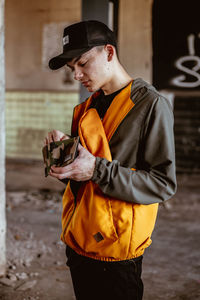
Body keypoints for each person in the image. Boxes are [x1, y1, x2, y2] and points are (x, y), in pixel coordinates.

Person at [45, 20, 177, 300]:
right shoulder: (85, 108)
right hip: (79, 240)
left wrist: (95, 169)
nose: (77, 75)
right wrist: (64, 157)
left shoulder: (150, 105)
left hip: (117, 256)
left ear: (108, 52)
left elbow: (162, 184)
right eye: (72, 69)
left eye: (82, 63)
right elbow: (83, 178)